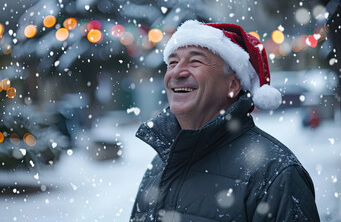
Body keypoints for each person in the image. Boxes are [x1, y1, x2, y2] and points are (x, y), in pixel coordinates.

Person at [130, 20, 320, 221]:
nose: (177, 72)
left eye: (195, 61)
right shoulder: (162, 162)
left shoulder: (274, 173)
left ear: (232, 85)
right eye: (173, 62)